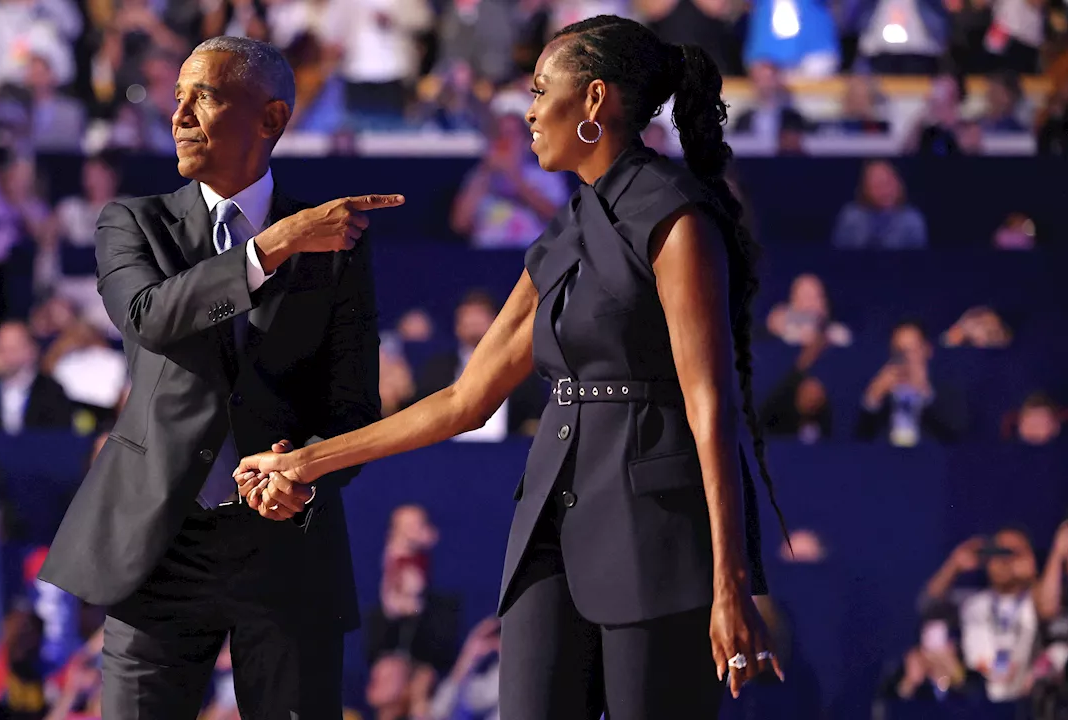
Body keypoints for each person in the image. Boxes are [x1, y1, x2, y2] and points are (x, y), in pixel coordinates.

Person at [237, 15, 787, 718]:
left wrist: (730, 581)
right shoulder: (565, 229)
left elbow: (710, 402)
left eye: (538, 91)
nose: (524, 112)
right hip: (551, 524)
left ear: (593, 102)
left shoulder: (675, 217)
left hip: (656, 529)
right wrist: (309, 462)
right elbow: (465, 400)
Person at [38, 36, 401, 719]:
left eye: (201, 95)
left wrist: (308, 472)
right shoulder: (132, 221)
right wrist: (278, 243)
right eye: (176, 96)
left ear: (270, 119)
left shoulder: (340, 247)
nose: (177, 113)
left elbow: (354, 405)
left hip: (287, 544)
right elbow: (149, 315)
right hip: (157, 548)